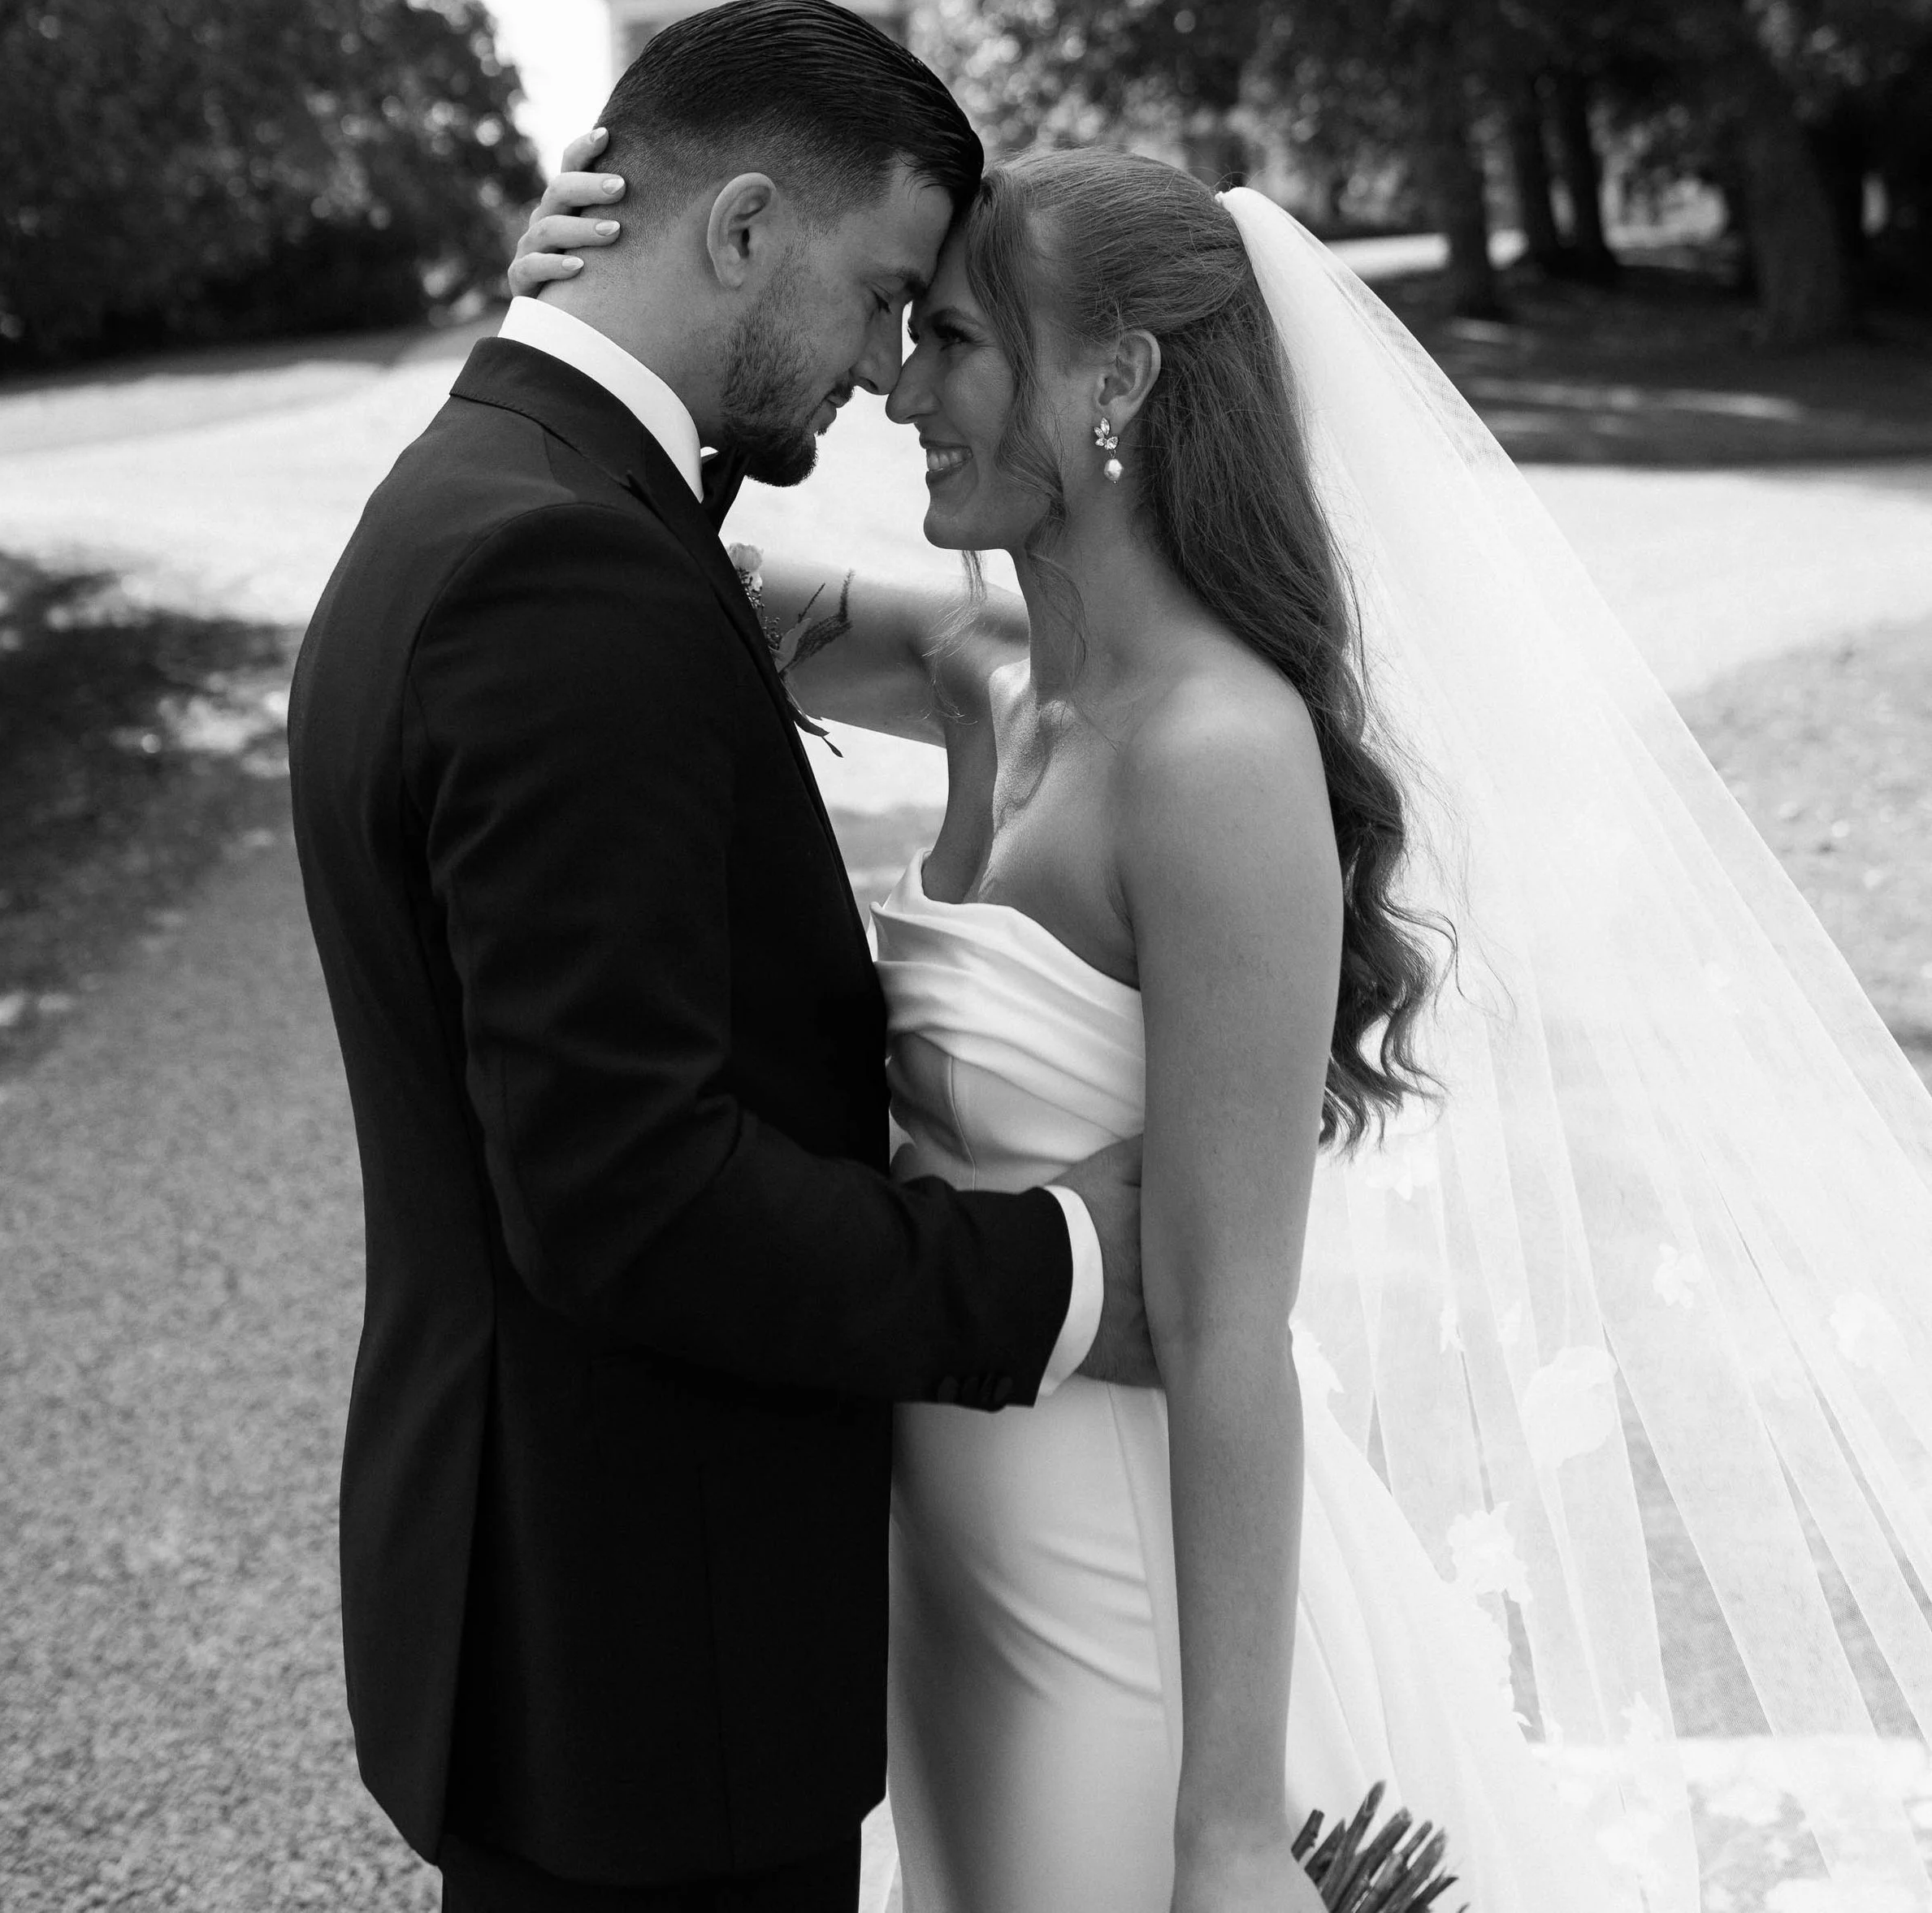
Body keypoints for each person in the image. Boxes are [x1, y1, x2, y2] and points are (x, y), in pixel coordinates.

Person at [515, 139, 1932, 1913]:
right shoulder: (987, 677)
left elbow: (1232, 1334)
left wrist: (1229, 1832)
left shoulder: (1219, 764)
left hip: (1122, 1609)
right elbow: (615, 560)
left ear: (1114, 378)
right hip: (952, 1580)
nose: (894, 389)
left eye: (951, 341)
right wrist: (573, 320)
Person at [288, 0, 1153, 1913]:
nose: (878, 367)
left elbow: (740, 599)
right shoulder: (562, 575)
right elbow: (630, 1196)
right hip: (641, 1656)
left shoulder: (514, 488)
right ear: (743, 228)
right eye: (877, 296)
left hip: (579, 1624)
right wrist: (1076, 1270)